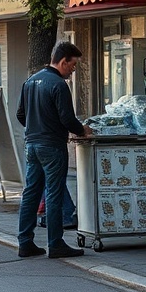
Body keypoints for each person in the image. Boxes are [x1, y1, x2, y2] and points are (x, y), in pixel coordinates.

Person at [16, 41, 91, 259]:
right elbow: (67, 118)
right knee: (54, 193)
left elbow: (21, 115)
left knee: (31, 192)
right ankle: (56, 243)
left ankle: (25, 242)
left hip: (32, 144)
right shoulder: (58, 85)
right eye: (73, 65)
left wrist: (36, 129)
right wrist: (82, 130)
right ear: (63, 60)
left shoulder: (30, 81)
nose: (73, 70)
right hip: (52, 146)